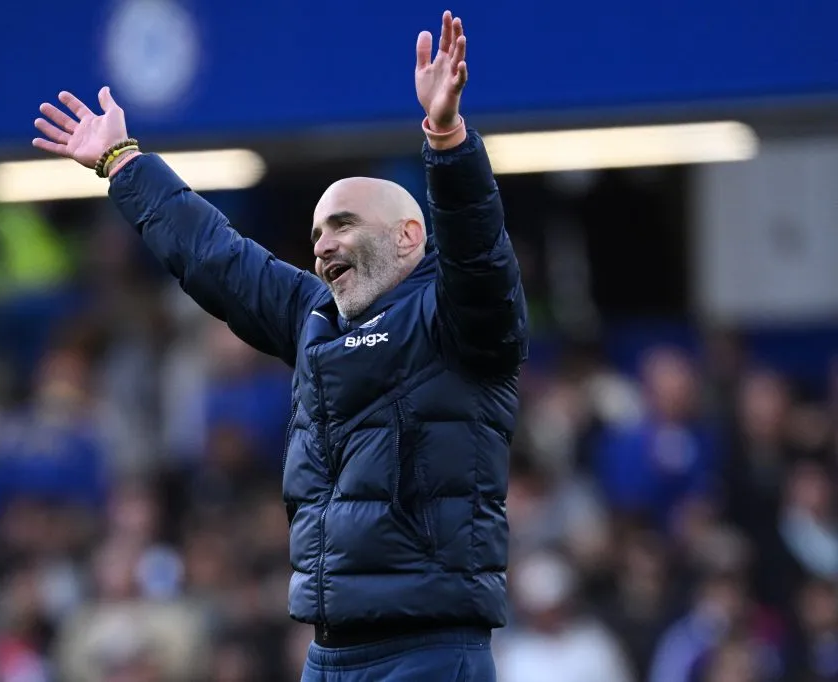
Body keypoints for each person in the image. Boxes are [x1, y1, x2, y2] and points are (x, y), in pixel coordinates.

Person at [31, 10, 527, 681]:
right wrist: (124, 165)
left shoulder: (461, 321)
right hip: (327, 652)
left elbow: (477, 251)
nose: (323, 244)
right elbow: (219, 260)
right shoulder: (315, 317)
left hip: (428, 651)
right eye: (319, 230)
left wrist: (446, 139)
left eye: (345, 225)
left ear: (410, 237)